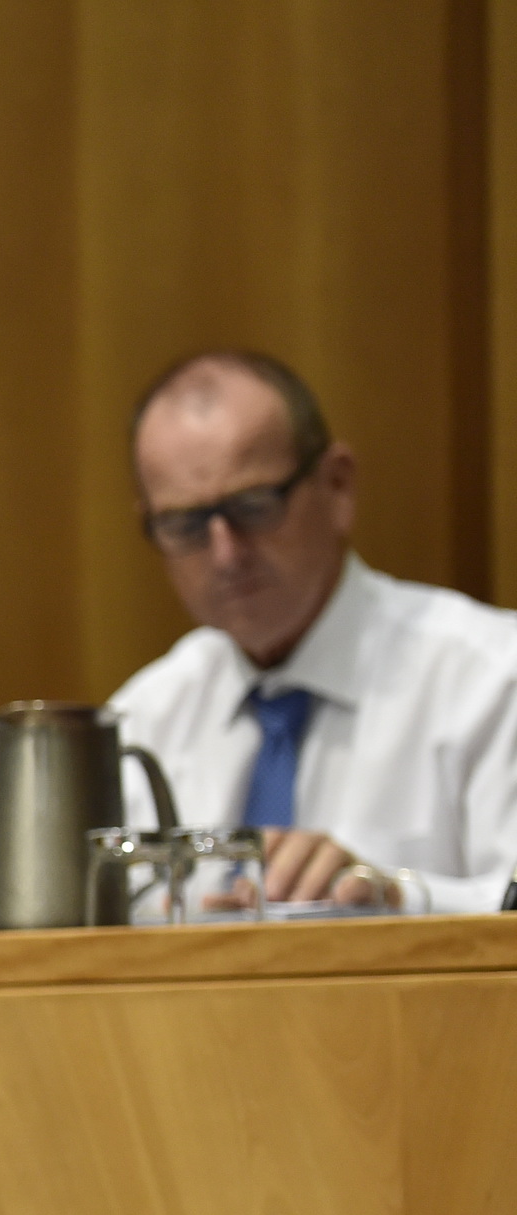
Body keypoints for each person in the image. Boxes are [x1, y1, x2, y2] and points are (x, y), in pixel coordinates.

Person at [111, 350, 517, 913]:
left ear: (337, 485)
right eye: (185, 525)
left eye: (253, 507)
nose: (226, 554)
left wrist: (395, 898)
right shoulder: (145, 718)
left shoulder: (493, 680)